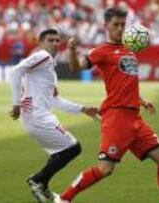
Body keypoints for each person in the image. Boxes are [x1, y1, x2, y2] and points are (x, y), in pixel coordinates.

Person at [54, 7, 159, 203]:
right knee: (105, 169)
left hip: (135, 117)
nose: (120, 28)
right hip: (117, 117)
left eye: (123, 24)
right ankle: (63, 199)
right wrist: (71, 50)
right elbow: (75, 67)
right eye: (116, 25)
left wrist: (142, 101)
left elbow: (125, 82)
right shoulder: (101, 51)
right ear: (106, 26)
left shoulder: (130, 49)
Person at [9, 28, 99, 203]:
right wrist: (16, 103)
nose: (56, 44)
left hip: (39, 116)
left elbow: (54, 100)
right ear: (41, 42)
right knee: (73, 148)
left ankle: (43, 185)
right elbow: (15, 72)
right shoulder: (43, 55)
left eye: (58, 41)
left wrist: (83, 109)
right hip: (37, 116)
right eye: (51, 40)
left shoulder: (48, 65)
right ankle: (37, 180)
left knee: (60, 153)